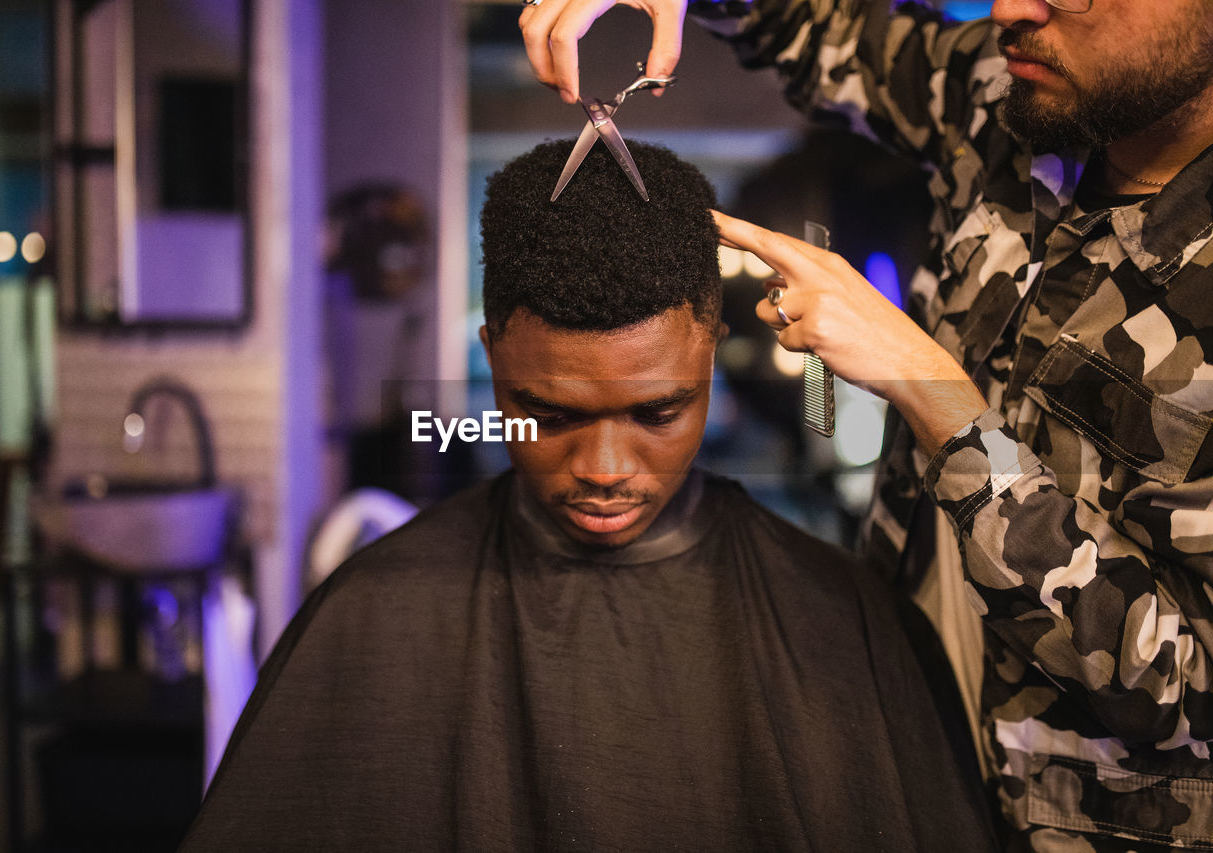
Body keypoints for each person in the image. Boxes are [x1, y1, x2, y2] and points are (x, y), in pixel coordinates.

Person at [519, 1, 1213, 850]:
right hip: (902, 743)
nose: (1008, 9)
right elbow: (819, 27)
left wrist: (939, 402)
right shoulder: (1014, 90)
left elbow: (1190, 687)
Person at [178, 140, 997, 851]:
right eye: (552, 412)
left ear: (709, 354)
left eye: (657, 412)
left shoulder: (838, 617)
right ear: (493, 361)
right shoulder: (371, 615)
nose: (605, 468)